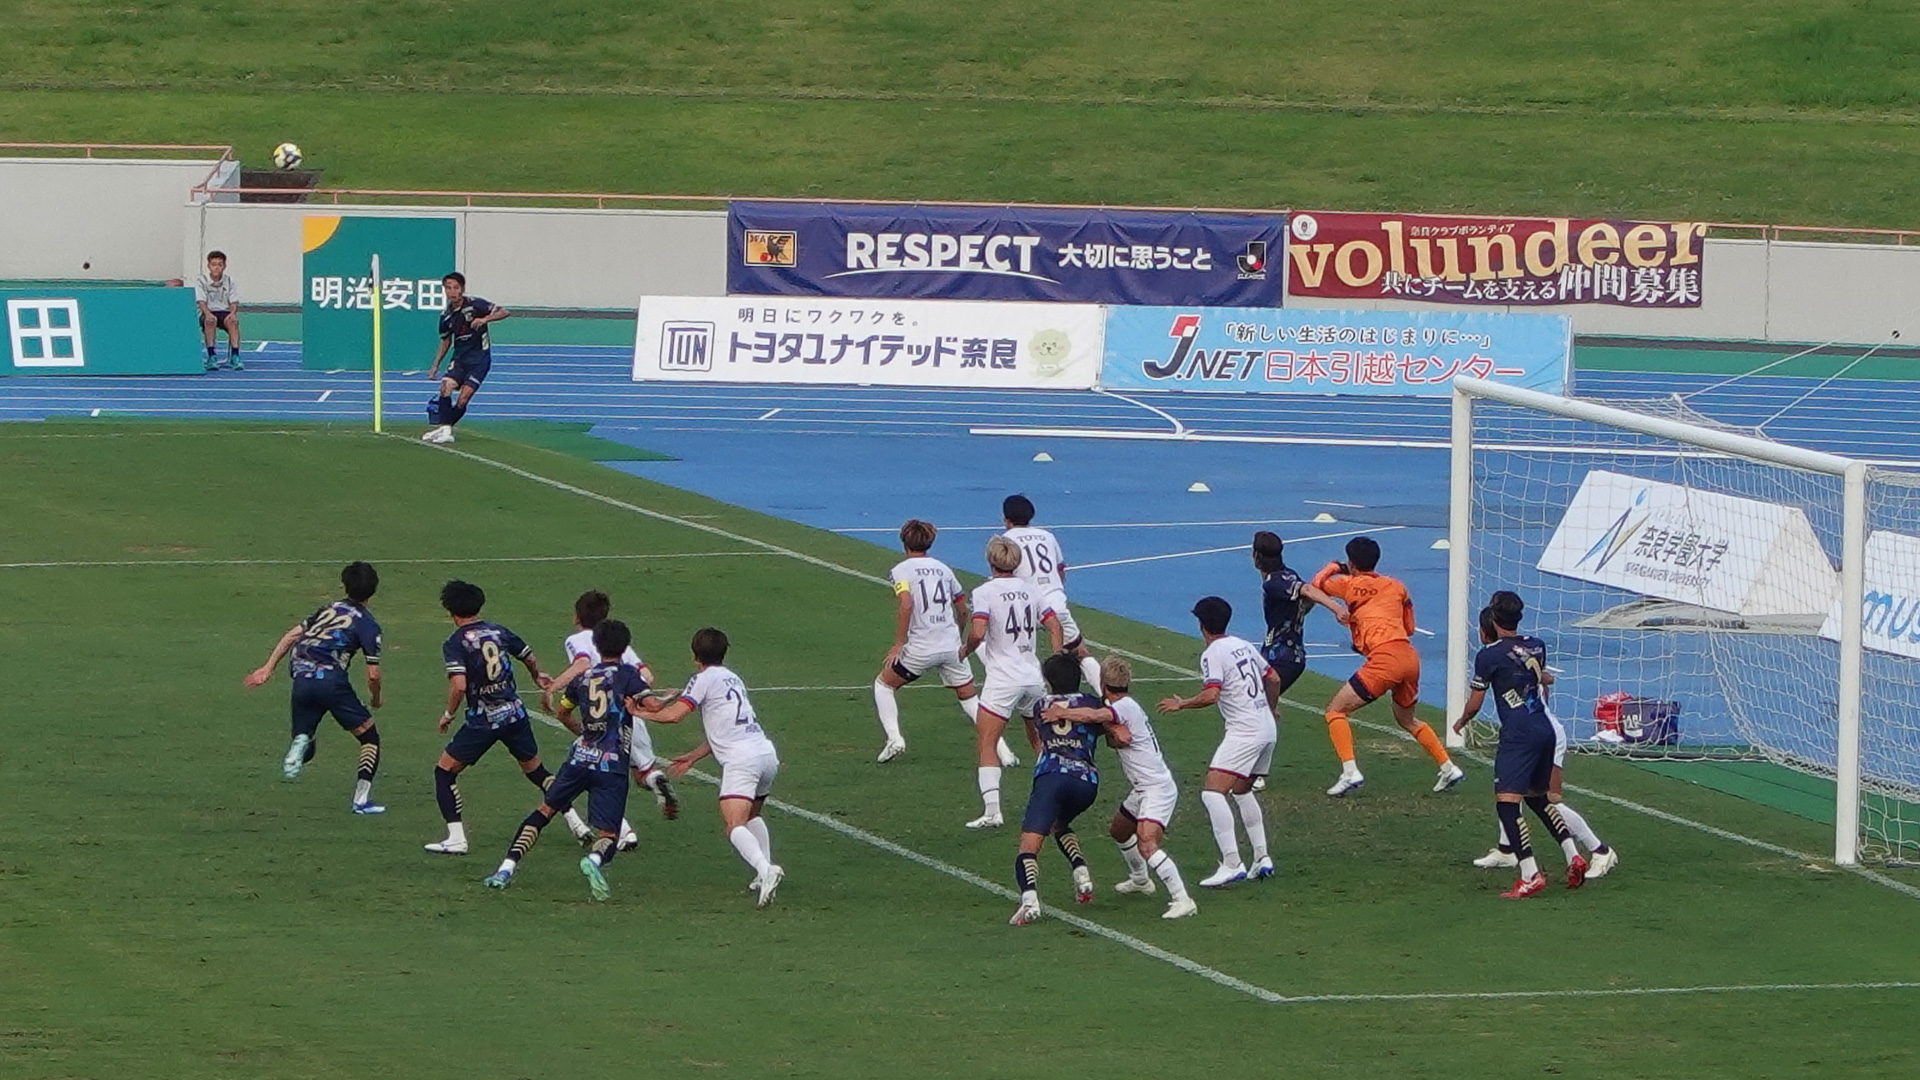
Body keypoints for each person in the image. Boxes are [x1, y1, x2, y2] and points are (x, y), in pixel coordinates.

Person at [484, 620, 649, 900]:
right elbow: (651, 705)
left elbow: (563, 713)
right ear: (625, 647)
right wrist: (664, 702)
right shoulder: (629, 675)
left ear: (596, 645)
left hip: (579, 758)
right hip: (611, 764)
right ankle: (593, 861)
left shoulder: (582, 678)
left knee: (544, 811)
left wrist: (585, 733)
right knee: (609, 834)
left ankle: (505, 869)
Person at [1464, 592, 1619, 879]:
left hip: (1539, 731)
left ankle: (1598, 850)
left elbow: (1535, 680)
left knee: (1546, 798)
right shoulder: (1531, 647)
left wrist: (1461, 722)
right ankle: (1507, 849)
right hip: (1538, 727)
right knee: (1515, 791)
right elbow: (1543, 678)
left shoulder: (1495, 655)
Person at [1450, 595, 1587, 898]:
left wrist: (1462, 721)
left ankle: (1530, 874)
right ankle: (1574, 856)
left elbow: (1476, 701)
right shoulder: (1537, 645)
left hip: (1519, 734)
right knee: (1539, 799)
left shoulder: (1489, 655)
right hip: (1545, 728)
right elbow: (1538, 677)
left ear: (1493, 620)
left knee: (1507, 803)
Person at [1044, 656, 1196, 920]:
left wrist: (1062, 713)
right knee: (1120, 830)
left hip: (1156, 788)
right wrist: (1112, 730)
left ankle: (1183, 899)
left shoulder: (1124, 706)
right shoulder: (1123, 706)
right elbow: (1109, 728)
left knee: (1147, 844)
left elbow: (1094, 715)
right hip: (1143, 787)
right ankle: (1140, 880)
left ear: (1104, 684)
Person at [644, 628, 787, 908]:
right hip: (765, 753)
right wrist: (694, 757)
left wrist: (639, 712)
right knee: (752, 815)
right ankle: (763, 873)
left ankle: (766, 869)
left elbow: (674, 715)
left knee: (734, 825)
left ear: (695, 656)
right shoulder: (733, 678)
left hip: (742, 760)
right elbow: (726, 727)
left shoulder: (702, 679)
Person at [1312, 536, 1464, 797]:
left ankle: (1350, 771)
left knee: (1335, 711)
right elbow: (1410, 628)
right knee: (1407, 719)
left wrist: (1335, 566)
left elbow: (1317, 584)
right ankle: (1448, 767)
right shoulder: (1397, 585)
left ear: (1351, 563)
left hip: (1384, 660)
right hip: (1409, 657)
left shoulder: (1349, 584)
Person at [424, 580, 555, 856]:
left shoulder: (455, 643)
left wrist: (448, 714)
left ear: (451, 611)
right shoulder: (498, 631)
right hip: (515, 714)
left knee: (444, 772)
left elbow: (459, 686)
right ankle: (576, 822)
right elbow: (529, 657)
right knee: (537, 772)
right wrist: (537, 676)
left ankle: (456, 838)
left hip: (483, 721)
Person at [242, 561, 385, 813]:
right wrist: (375, 698)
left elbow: (291, 635)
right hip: (331, 681)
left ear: (345, 584)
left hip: (301, 676)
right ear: (373, 589)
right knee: (369, 738)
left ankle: (300, 741)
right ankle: (361, 801)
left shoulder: (329, 609)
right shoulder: (368, 624)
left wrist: (268, 668)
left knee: (306, 745)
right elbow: (373, 675)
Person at [1159, 596, 1282, 888]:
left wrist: (1183, 704)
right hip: (1266, 727)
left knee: (1212, 793)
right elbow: (1274, 678)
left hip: (1244, 731)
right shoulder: (1243, 644)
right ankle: (1262, 857)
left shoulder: (1212, 653)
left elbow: (1211, 694)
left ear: (1201, 624)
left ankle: (1232, 863)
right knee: (1241, 790)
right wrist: (1271, 708)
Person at [542, 590, 676, 840]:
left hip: (600, 720)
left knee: (593, 772)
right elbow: (647, 677)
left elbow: (582, 664)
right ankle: (654, 780)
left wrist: (553, 686)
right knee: (641, 774)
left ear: (577, 617)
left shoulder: (578, 639)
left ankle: (622, 833)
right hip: (630, 715)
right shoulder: (620, 644)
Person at [1009, 653, 1131, 926]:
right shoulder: (1093, 703)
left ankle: (1029, 901)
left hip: (1052, 777)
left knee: (1029, 845)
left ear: (1049, 680)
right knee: (1059, 824)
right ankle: (1081, 871)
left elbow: (1041, 735)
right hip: (1087, 782)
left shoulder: (1041, 706)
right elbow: (1113, 730)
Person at [957, 535, 1063, 829]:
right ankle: (1052, 804)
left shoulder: (984, 592)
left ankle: (993, 811)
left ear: (990, 560)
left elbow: (978, 631)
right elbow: (1054, 625)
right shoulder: (1032, 590)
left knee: (987, 742)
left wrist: (966, 650)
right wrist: (1056, 660)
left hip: (1003, 679)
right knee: (1041, 742)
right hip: (1032, 675)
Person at [872, 519, 982, 763]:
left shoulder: (900, 570)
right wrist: (957, 636)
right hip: (951, 646)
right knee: (969, 698)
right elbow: (962, 608)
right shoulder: (944, 569)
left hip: (921, 648)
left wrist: (899, 644)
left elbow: (906, 603)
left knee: (884, 685)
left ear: (904, 542)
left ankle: (894, 739)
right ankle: (1002, 751)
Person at [1000, 495, 1102, 692]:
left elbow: (1004, 577)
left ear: (1006, 518)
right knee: (1080, 651)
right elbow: (1060, 571)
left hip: (1026, 608)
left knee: (1013, 653)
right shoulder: (1047, 536)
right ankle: (1107, 697)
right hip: (1056, 605)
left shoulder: (1006, 541)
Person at [422, 272, 510, 445]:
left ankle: (445, 428)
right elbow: (446, 341)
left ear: (462, 289)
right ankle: (445, 430)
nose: (452, 292)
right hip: (459, 360)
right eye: (448, 288)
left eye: (456, 288)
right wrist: (435, 365)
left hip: (479, 360)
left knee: (463, 399)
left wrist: (485, 319)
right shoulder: (446, 316)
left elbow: (505, 312)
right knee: (445, 387)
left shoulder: (476, 304)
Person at [195, 250, 242, 371]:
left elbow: (233, 301)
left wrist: (232, 314)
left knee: (233, 322)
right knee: (210, 321)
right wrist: (208, 314)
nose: (216, 268)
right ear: (209, 266)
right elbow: (201, 301)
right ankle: (212, 356)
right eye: (213, 264)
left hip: (224, 312)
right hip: (208, 311)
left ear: (224, 266)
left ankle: (235, 356)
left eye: (219, 264)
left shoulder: (229, 281)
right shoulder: (201, 281)